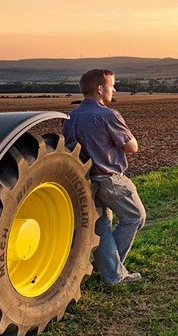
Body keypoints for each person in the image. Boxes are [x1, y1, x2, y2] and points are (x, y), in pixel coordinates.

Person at [62, 69, 146, 285]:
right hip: (110, 179)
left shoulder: (70, 117)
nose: (114, 89)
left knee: (102, 227)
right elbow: (131, 147)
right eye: (112, 85)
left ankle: (110, 270)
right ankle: (112, 270)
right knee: (135, 217)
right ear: (100, 89)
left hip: (84, 181)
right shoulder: (109, 115)